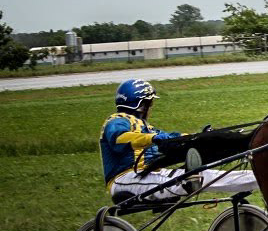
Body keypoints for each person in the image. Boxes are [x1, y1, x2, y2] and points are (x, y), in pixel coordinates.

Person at [100, 78, 257, 203]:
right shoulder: (116, 121)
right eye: (149, 103)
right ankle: (186, 182)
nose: (151, 107)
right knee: (199, 178)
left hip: (148, 176)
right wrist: (152, 138)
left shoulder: (146, 127)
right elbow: (119, 139)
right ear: (141, 105)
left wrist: (199, 137)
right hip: (125, 179)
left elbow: (173, 137)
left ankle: (258, 178)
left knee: (205, 175)